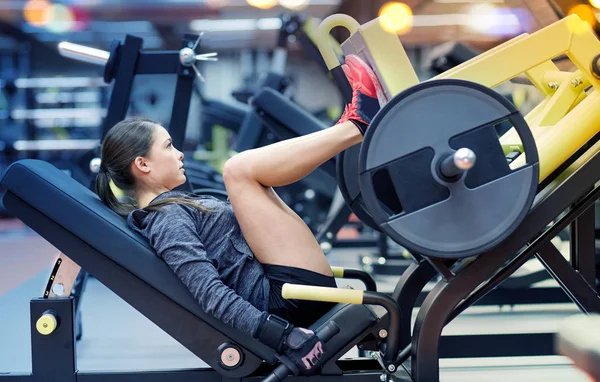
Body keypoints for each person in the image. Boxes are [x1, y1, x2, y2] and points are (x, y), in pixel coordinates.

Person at [94, 55, 383, 375]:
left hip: (288, 288)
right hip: (285, 303)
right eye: (168, 146)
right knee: (238, 170)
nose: (179, 154)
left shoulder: (172, 208)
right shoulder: (166, 220)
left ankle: (354, 124)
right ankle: (357, 124)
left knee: (247, 175)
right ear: (143, 165)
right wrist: (283, 336)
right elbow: (210, 294)